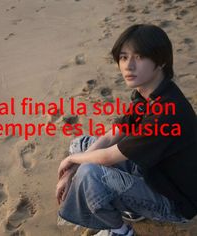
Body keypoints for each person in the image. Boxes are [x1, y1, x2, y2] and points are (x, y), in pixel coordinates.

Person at [56, 24, 197, 236]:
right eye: (123, 57)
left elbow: (107, 157)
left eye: (139, 57)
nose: (128, 66)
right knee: (82, 145)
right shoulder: (148, 95)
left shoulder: (167, 112)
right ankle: (131, 207)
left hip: (174, 202)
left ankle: (121, 231)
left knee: (90, 173)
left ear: (161, 62)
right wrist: (73, 167)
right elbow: (113, 134)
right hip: (153, 174)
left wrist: (71, 162)